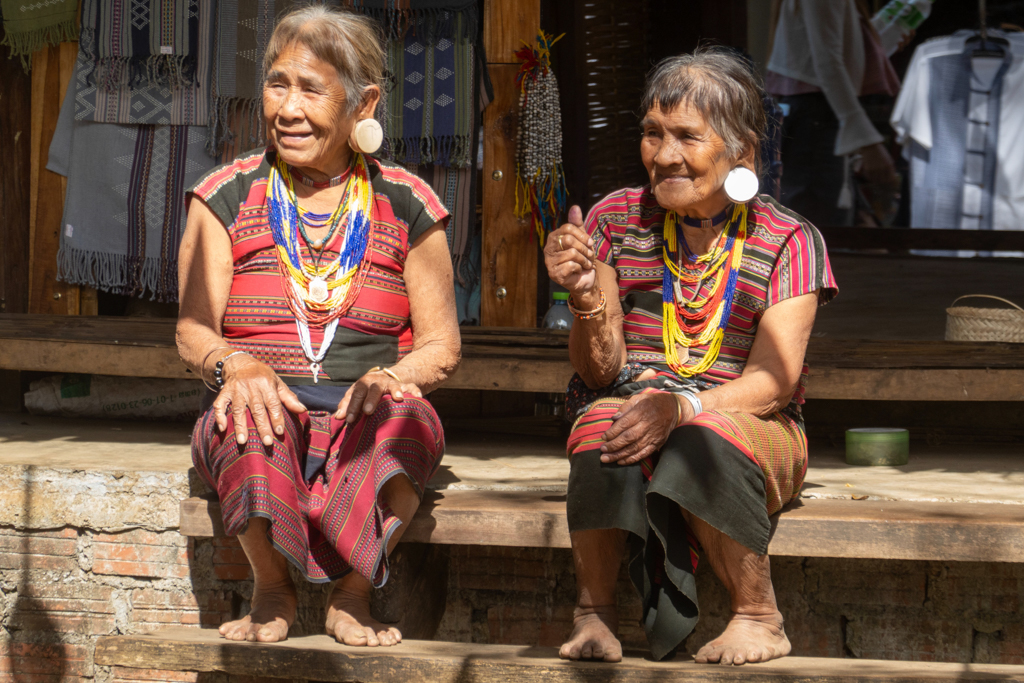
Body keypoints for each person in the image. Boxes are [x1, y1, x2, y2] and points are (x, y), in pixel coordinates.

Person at [543, 47, 837, 665]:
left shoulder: (790, 239)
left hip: (750, 421)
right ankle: (594, 612)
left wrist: (679, 407)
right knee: (602, 423)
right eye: (653, 133)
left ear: (743, 153)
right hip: (634, 403)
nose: (665, 154)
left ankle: (759, 615)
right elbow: (598, 372)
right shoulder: (616, 219)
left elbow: (773, 382)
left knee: (701, 439)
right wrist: (588, 296)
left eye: (687, 137)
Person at [177, 6, 459, 647]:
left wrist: (392, 376)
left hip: (363, 412)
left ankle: (353, 593)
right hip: (265, 402)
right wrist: (237, 366)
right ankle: (272, 587)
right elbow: (193, 328)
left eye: (311, 88)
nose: (288, 108)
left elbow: (442, 345)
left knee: (404, 418)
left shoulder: (407, 202)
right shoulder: (225, 193)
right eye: (278, 84)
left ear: (364, 103)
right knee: (247, 417)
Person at [766, 0, 903, 227]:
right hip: (816, 117)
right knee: (821, 228)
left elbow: (830, 55)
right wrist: (867, 142)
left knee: (826, 224)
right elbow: (827, 62)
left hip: (817, 116)